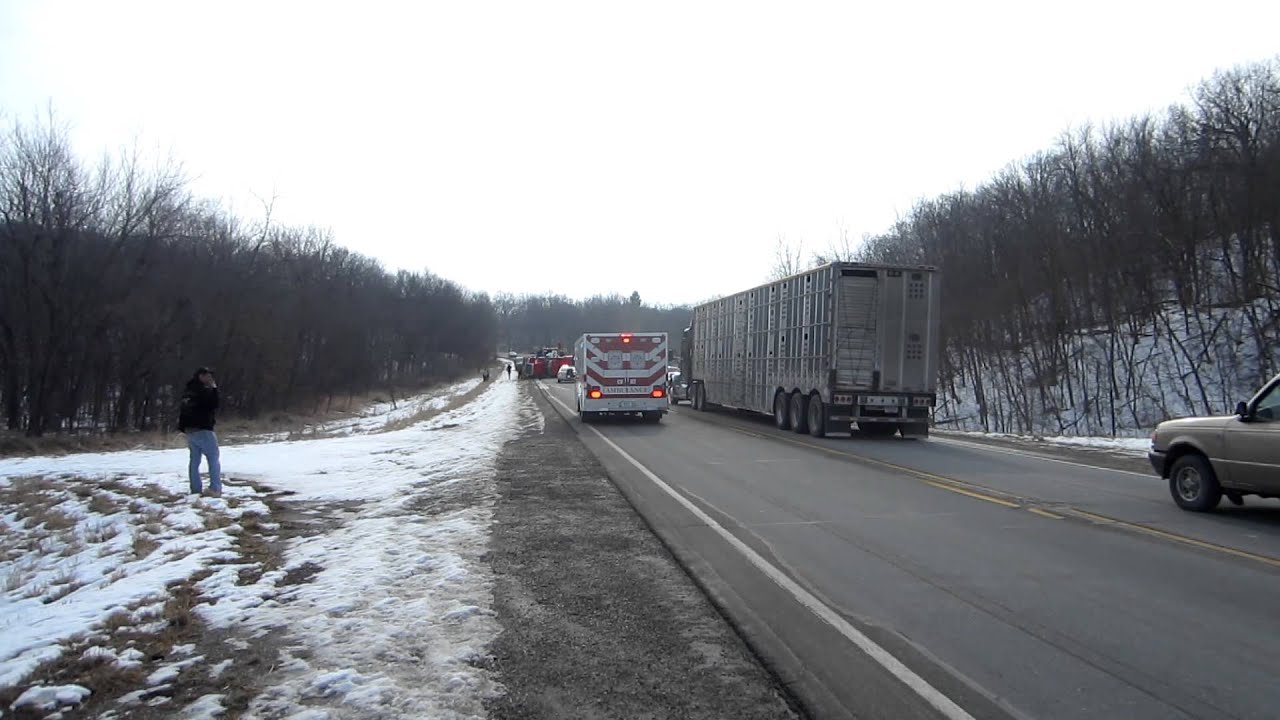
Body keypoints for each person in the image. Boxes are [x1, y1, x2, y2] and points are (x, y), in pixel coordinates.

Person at [178, 367, 222, 498]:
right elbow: (213, 404)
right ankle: (215, 488)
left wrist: (183, 428)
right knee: (213, 458)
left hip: (190, 430)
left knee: (194, 460)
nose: (210, 379)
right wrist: (214, 389)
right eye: (208, 376)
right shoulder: (202, 391)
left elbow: (183, 411)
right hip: (203, 428)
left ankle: (195, 488)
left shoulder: (188, 391)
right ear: (201, 376)